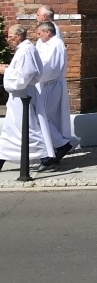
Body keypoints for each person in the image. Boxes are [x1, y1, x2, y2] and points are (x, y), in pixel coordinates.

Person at [0, 25, 56, 172]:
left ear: (19, 36)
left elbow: (23, 77)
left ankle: (46, 157)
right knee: (11, 129)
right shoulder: (25, 49)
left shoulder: (25, 50)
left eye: (11, 37)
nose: (9, 40)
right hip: (20, 96)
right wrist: (9, 69)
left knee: (27, 128)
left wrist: (6, 71)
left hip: (22, 95)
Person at [35, 22, 73, 162]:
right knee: (48, 117)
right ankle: (52, 147)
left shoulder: (55, 44)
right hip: (49, 84)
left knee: (41, 117)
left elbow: (48, 67)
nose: (38, 36)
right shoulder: (50, 44)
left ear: (48, 32)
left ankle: (61, 144)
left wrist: (32, 73)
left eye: (39, 33)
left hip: (49, 84)